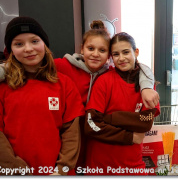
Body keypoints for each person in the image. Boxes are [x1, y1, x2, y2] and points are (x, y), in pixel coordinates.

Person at [0, 16, 85, 175]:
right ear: (10, 50)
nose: (28, 48)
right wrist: (17, 170)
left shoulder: (64, 84)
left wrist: (62, 169)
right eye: (19, 44)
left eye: (34, 41)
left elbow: (71, 133)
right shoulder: (3, 87)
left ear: (44, 44)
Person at [84, 32, 160, 175]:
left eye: (126, 52)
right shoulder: (104, 80)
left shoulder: (147, 87)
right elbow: (91, 124)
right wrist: (129, 136)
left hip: (133, 166)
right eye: (116, 54)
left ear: (136, 52)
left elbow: (145, 123)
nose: (121, 58)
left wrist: (108, 119)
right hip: (100, 167)